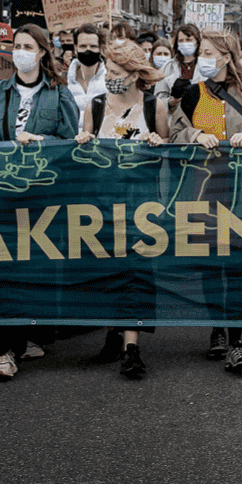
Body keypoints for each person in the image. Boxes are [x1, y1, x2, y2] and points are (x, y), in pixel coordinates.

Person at [169, 29, 242, 374]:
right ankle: (216, 330)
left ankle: (235, 340)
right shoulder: (191, 94)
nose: (200, 57)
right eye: (200, 51)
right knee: (209, 265)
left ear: (225, 56)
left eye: (207, 52)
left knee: (236, 268)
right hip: (204, 188)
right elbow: (174, 134)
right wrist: (195, 134)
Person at [0, 25, 80, 381]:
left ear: (42, 53)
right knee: (2, 269)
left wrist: (43, 140)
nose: (20, 51)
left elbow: (69, 144)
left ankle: (32, 334)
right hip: (0, 192)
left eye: (27, 46)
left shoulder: (58, 94)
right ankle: (5, 351)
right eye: (16, 46)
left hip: (39, 194)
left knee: (32, 268)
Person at [74, 39, 170, 379]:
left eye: (115, 72)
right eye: (107, 71)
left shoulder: (154, 107)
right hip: (102, 204)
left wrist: (158, 144)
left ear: (133, 75)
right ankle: (113, 333)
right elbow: (83, 156)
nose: (108, 77)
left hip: (141, 205)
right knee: (109, 272)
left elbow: (166, 155)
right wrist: (83, 142)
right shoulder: (95, 105)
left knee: (137, 274)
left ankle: (133, 347)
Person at [66, 24, 109, 129]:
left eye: (93, 46)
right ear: (75, 48)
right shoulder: (64, 80)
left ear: (100, 48)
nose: (88, 50)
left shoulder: (110, 77)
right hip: (73, 141)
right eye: (83, 46)